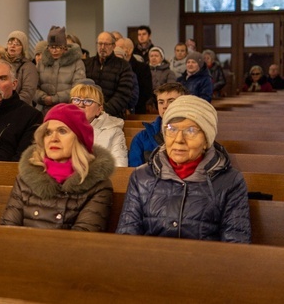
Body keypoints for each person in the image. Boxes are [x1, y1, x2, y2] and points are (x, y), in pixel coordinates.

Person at [116, 95, 251, 243]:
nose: (179, 139)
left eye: (191, 130)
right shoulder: (141, 177)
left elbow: (235, 244)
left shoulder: (230, 182)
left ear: (206, 140)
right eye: (171, 129)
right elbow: (126, 239)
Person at [0, 103, 115, 230]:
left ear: (79, 138)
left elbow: (82, 239)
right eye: (48, 132)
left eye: (62, 131)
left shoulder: (98, 185)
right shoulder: (25, 178)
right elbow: (8, 230)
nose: (53, 138)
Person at [128, 83, 188, 167]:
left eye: (171, 101)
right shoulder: (141, 138)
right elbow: (135, 172)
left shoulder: (193, 134)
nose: (165, 106)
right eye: (161, 102)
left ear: (183, 104)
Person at [70, 83, 128, 167]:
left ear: (99, 110)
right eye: (76, 100)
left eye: (88, 101)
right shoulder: (61, 126)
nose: (81, 104)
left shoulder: (113, 131)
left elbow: (119, 167)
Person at [34, 26, 85, 114]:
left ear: (65, 47)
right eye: (51, 47)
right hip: (42, 110)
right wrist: (43, 98)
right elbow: (33, 86)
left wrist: (54, 99)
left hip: (66, 109)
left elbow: (78, 88)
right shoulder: (41, 63)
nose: (54, 51)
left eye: (58, 47)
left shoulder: (76, 63)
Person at [83, 32, 134, 117]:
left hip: (112, 115)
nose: (102, 47)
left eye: (106, 44)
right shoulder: (87, 63)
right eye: (100, 44)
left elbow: (123, 94)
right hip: (88, 114)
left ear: (114, 46)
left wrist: (102, 110)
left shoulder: (123, 66)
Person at [116, 37, 152, 114]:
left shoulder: (142, 68)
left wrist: (129, 106)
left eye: (120, 47)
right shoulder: (111, 67)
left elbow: (146, 92)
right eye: (115, 47)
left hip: (136, 110)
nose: (117, 50)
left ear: (130, 50)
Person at [5, 30, 38, 105]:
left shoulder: (29, 66)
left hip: (20, 108)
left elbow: (28, 92)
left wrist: (11, 105)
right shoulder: (1, 63)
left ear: (23, 48)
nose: (12, 46)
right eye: (10, 43)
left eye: (17, 44)